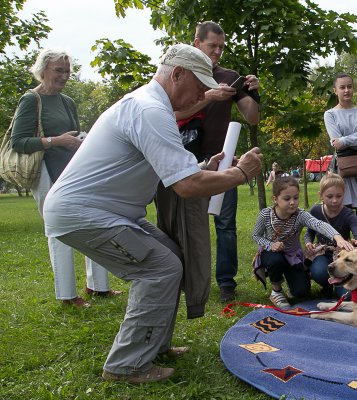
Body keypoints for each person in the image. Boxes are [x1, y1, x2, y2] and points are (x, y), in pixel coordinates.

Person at [43, 44, 263, 383]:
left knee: (172, 257)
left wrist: (207, 167)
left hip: (112, 212)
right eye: (200, 87)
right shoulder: (149, 109)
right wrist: (241, 174)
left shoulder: (150, 107)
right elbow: (187, 185)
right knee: (159, 268)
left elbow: (173, 170)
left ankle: (153, 346)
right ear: (177, 75)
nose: (203, 96)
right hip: (84, 212)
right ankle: (126, 365)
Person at [156, 21, 261, 305]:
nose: (217, 52)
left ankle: (226, 283)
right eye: (212, 45)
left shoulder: (230, 76)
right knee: (180, 223)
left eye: (221, 47)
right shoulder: (179, 72)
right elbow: (171, 114)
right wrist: (209, 97)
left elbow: (252, 117)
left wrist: (252, 91)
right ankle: (178, 276)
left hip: (222, 160)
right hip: (183, 161)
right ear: (197, 42)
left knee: (225, 224)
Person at [10, 49, 118, 308]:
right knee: (59, 232)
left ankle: (98, 287)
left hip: (71, 171)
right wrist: (56, 141)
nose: (63, 76)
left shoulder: (67, 101)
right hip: (45, 172)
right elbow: (19, 142)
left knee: (91, 222)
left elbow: (74, 134)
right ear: (43, 70)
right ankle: (67, 296)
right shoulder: (30, 100)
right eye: (58, 70)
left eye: (67, 71)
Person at [252, 176, 353, 308]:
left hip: (293, 256)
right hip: (271, 254)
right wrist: (271, 245)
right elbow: (256, 235)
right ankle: (276, 290)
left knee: (301, 292)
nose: (293, 202)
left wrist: (337, 237)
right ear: (275, 199)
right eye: (287, 199)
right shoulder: (265, 215)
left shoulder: (300, 215)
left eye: (295, 198)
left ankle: (293, 280)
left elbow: (318, 224)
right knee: (275, 260)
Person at [324, 73, 357, 235]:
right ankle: (343, 253)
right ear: (335, 90)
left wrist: (344, 140)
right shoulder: (330, 114)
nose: (346, 90)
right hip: (344, 168)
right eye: (342, 87)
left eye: (349, 86)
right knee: (343, 215)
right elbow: (335, 142)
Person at [304, 173, 357, 298]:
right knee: (319, 271)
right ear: (321, 195)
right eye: (329, 196)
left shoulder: (349, 214)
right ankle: (326, 286)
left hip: (341, 255)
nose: (334, 200)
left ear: (344, 194)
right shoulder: (315, 210)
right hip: (322, 252)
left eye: (339, 196)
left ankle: (340, 284)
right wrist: (308, 242)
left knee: (345, 296)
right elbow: (309, 232)